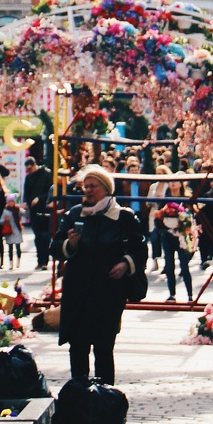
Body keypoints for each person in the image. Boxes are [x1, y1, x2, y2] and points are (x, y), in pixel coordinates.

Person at [52, 164, 147, 384]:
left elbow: (140, 249)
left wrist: (125, 264)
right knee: (77, 346)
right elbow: (55, 247)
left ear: (106, 188)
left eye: (93, 186)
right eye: (85, 186)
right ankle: (78, 395)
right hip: (78, 292)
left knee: (103, 347)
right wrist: (69, 244)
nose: (88, 190)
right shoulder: (74, 214)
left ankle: (105, 397)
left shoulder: (123, 217)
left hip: (108, 293)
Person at [153, 182, 194, 302]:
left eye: (176, 181)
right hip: (168, 236)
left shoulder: (186, 199)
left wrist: (182, 225)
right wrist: (166, 225)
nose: (173, 184)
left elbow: (191, 217)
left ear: (181, 184)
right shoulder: (165, 200)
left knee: (184, 266)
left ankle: (190, 295)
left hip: (181, 237)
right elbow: (158, 219)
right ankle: (172, 294)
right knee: (169, 266)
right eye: (170, 182)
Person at [23, 156, 53, 269]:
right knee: (37, 236)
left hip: (44, 208)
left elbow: (50, 191)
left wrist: (39, 198)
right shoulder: (29, 177)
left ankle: (44, 261)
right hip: (34, 210)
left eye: (30, 168)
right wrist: (26, 202)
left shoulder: (46, 174)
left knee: (45, 236)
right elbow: (26, 192)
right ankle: (40, 260)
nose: (29, 171)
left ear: (35, 165)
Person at [1, 195, 23, 269]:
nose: (11, 203)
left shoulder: (18, 209)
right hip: (9, 232)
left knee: (18, 248)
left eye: (12, 201)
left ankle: (18, 261)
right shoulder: (5, 210)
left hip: (17, 231)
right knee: (10, 249)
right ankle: (11, 264)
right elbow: (0, 221)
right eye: (9, 201)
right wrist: (5, 220)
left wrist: (24, 209)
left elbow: (25, 214)